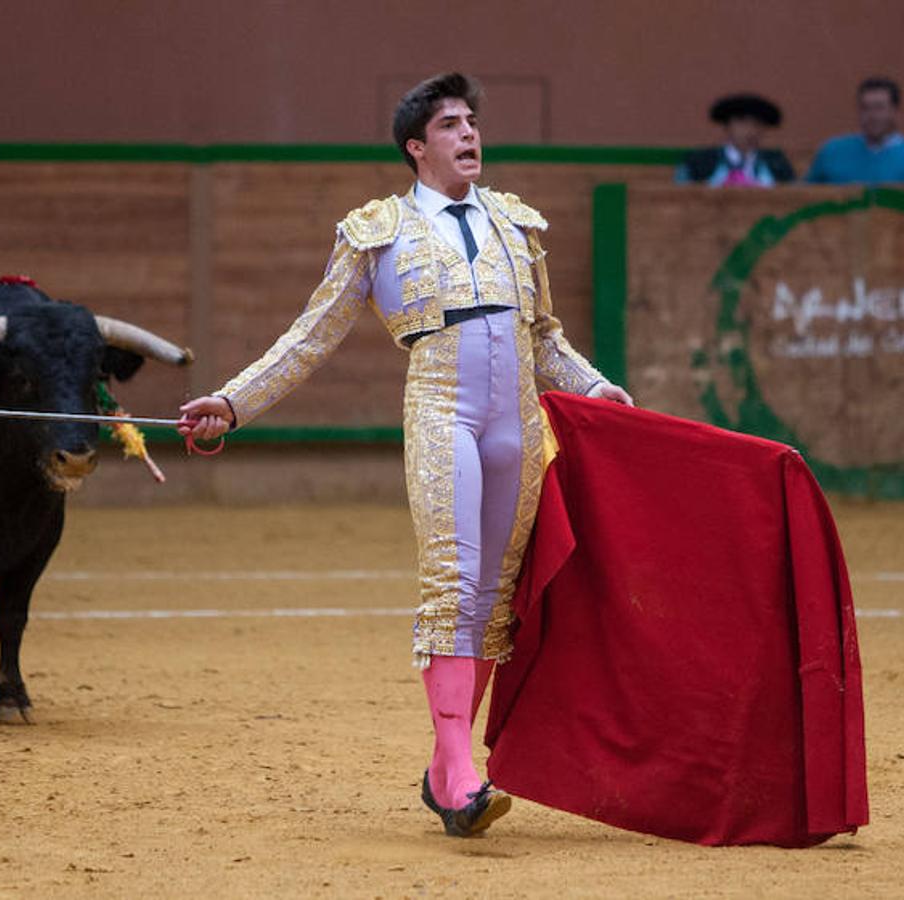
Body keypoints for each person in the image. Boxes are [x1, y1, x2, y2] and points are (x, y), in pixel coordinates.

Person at [178, 72, 632, 838]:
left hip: (515, 422)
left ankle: (444, 765)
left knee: (492, 598)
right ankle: (459, 775)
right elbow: (311, 337)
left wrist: (598, 388)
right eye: (451, 125)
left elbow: (545, 335)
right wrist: (233, 403)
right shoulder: (377, 230)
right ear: (417, 147)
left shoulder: (517, 225)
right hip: (442, 412)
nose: (469, 134)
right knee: (452, 584)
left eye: (472, 121)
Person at [804, 77, 904, 184]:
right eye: (865, 108)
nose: (872, 116)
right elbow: (801, 195)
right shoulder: (831, 152)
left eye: (879, 108)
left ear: (895, 111)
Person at [676, 93, 795, 187]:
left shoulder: (777, 163)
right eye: (742, 123)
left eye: (757, 124)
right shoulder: (699, 161)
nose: (751, 131)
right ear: (728, 127)